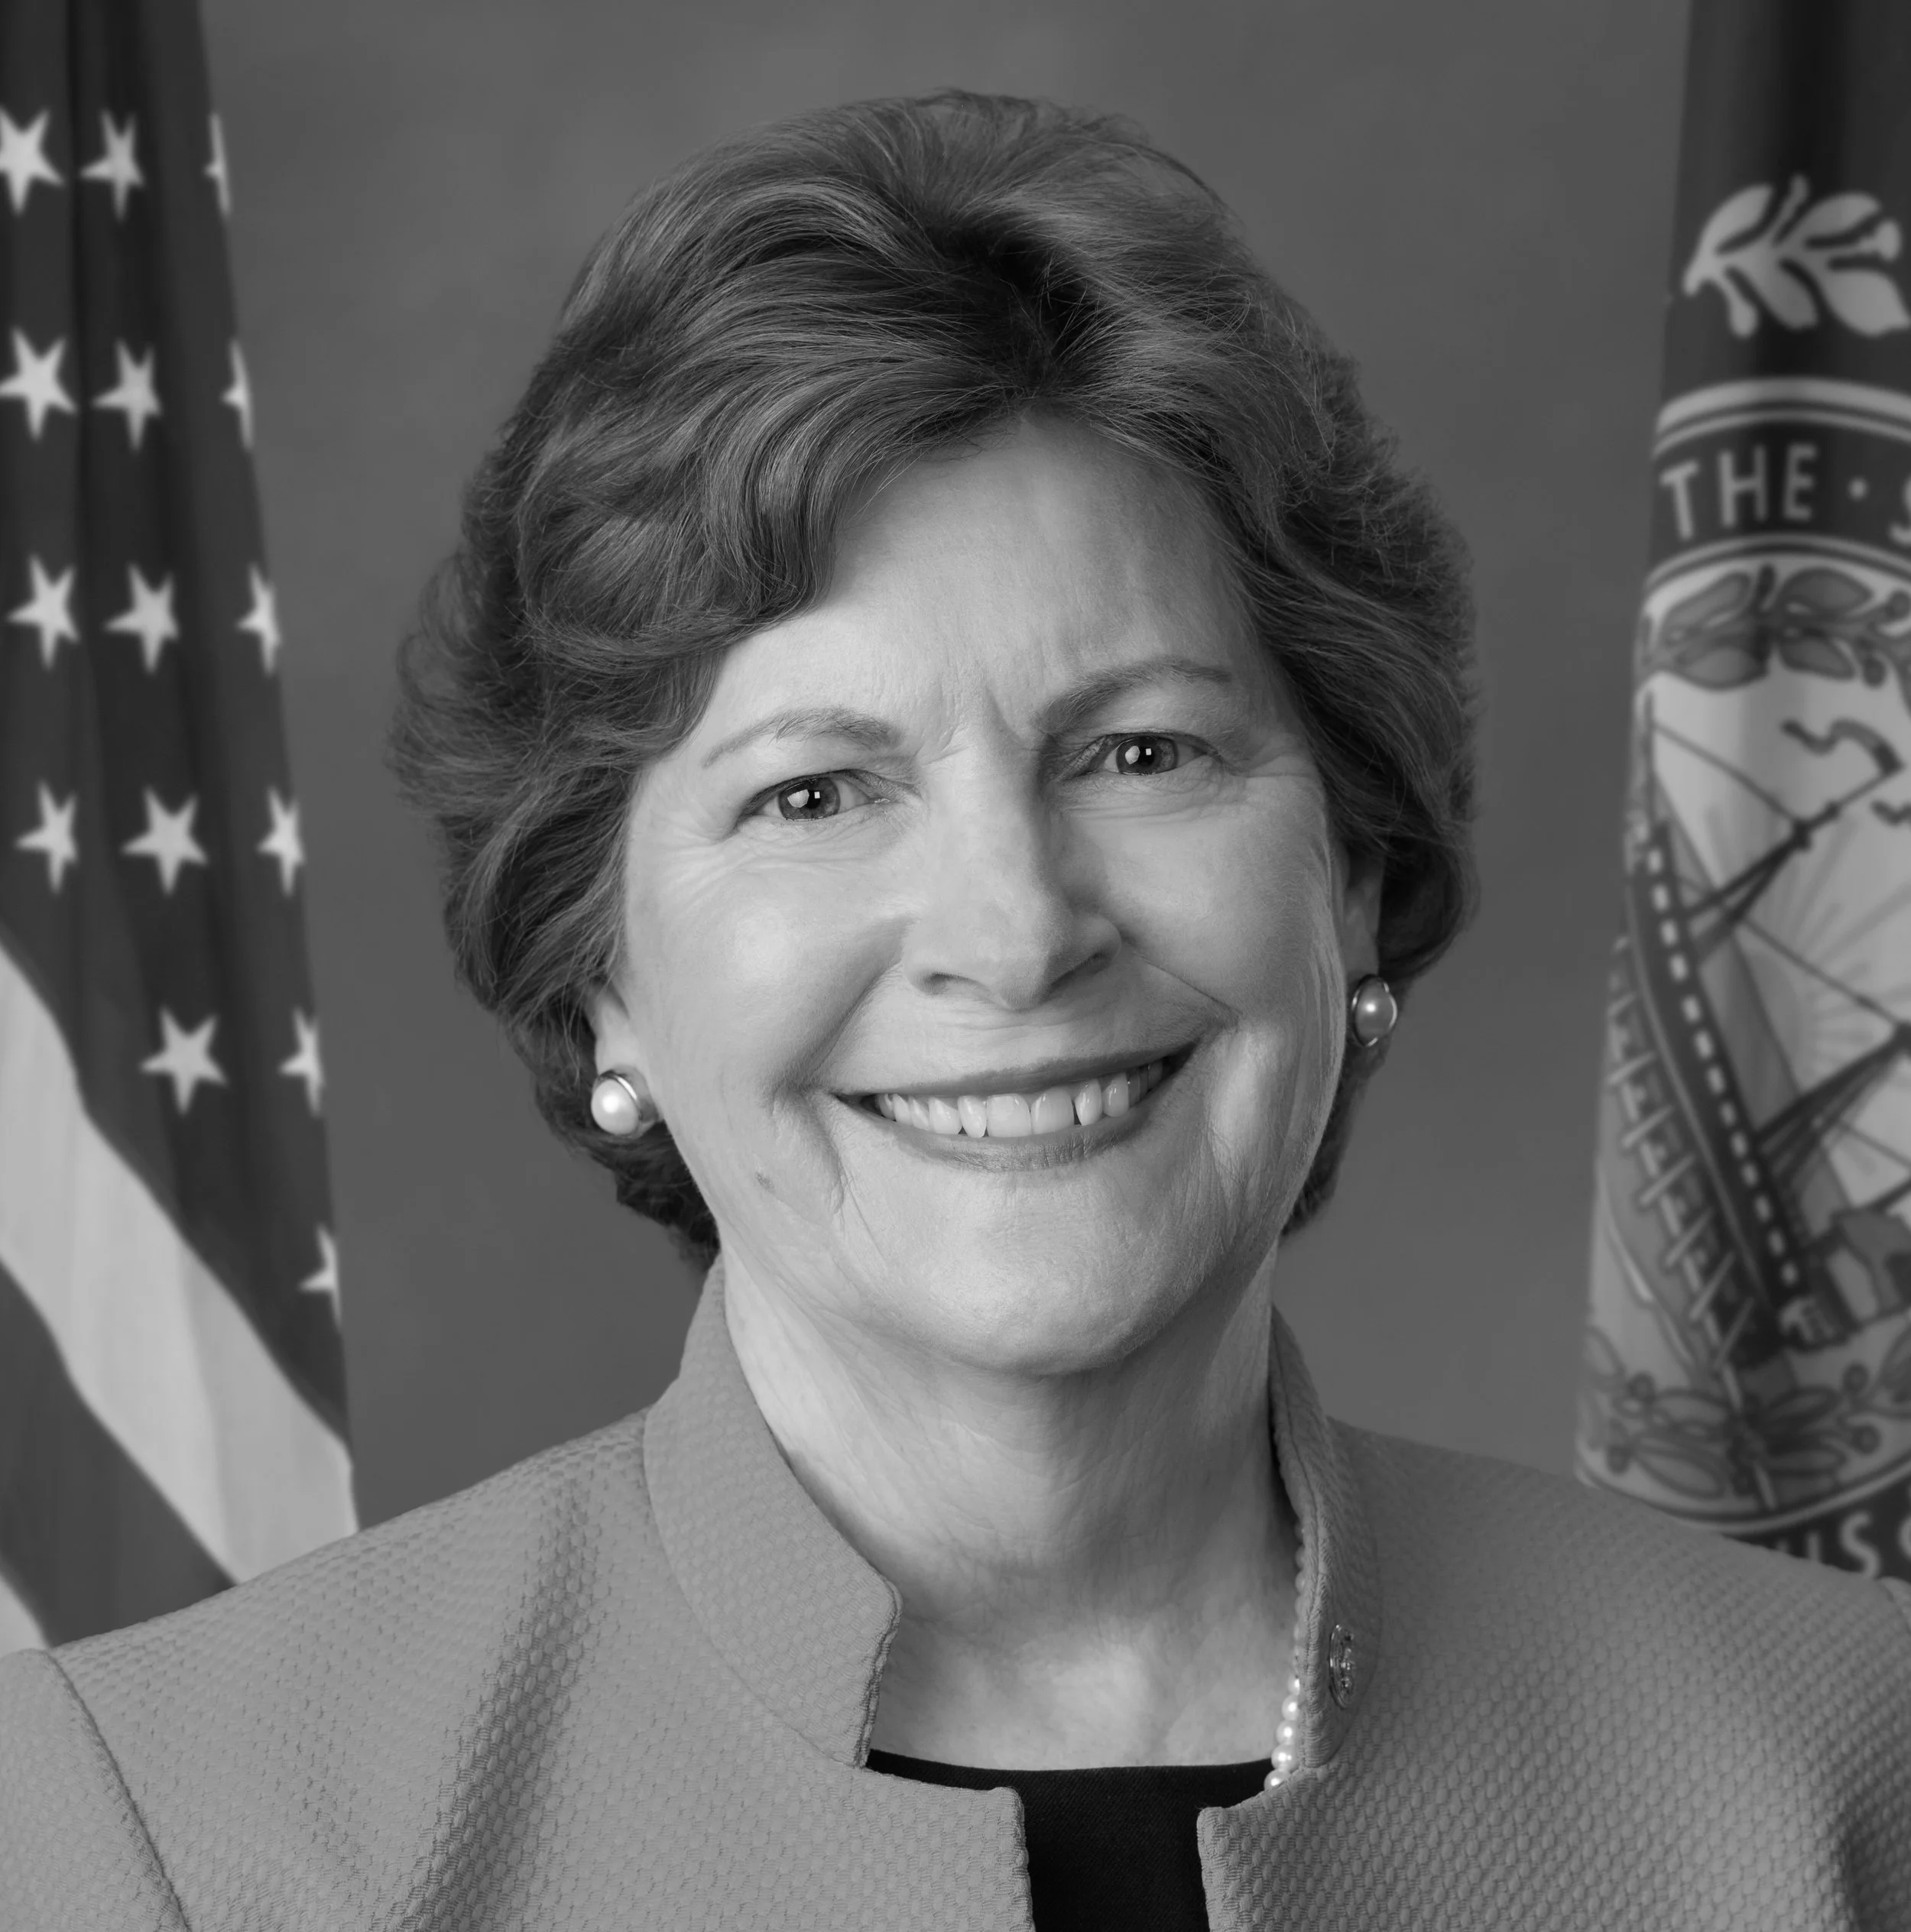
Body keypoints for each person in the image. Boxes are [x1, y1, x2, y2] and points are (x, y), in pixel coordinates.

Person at [2, 89, 1908, 1932]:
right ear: (600, 989)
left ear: (1349, 885)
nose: (1013, 934)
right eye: (813, 793)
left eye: (1143, 749)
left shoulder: (1845, 1766)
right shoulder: (174, 1833)